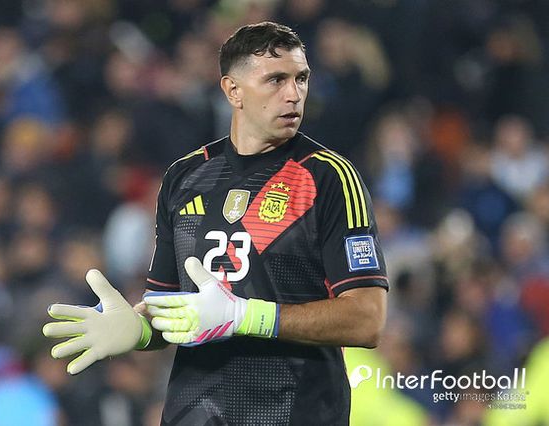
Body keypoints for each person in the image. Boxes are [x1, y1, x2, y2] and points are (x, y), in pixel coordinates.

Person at [43, 21, 388, 425]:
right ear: (232, 90)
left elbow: (366, 319)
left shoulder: (329, 177)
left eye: (301, 78)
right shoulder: (184, 178)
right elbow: (169, 310)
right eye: (276, 80)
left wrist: (245, 316)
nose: (294, 94)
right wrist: (139, 330)